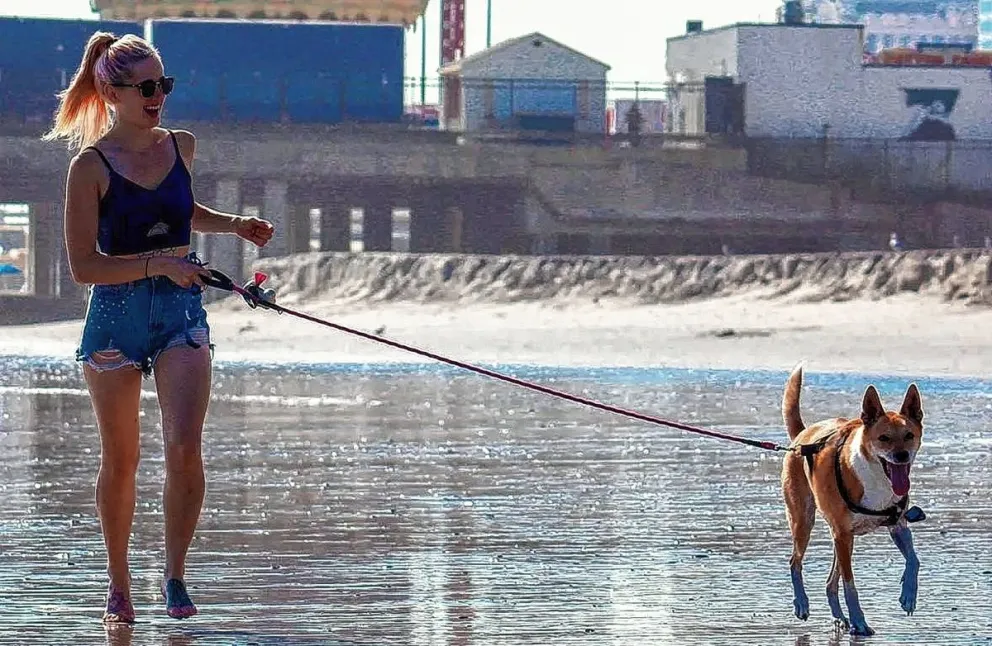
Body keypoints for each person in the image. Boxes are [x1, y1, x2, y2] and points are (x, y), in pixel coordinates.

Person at [43, 31, 274, 624]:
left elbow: (180, 207)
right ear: (111, 91)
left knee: (183, 447)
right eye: (146, 87)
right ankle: (119, 582)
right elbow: (82, 265)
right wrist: (158, 264)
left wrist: (234, 226)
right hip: (114, 317)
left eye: (163, 84)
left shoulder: (182, 146)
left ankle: (173, 575)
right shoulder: (87, 168)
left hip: (181, 314)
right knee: (122, 458)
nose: (158, 96)